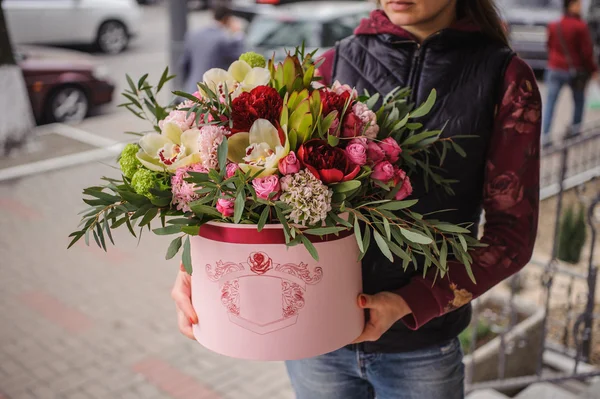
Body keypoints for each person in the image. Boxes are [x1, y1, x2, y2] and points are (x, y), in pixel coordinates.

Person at [171, 0, 541, 398]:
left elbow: (511, 236)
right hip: (313, 339)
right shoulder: (331, 66)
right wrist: (204, 269)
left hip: (420, 350)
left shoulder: (504, 78)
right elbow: (260, 191)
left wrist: (408, 302)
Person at [542, 0, 597, 145]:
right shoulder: (581, 27)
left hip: (554, 68)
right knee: (579, 102)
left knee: (550, 104)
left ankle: (545, 137)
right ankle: (575, 134)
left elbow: (548, 45)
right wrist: (593, 70)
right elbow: (587, 53)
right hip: (575, 71)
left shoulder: (554, 25)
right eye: (578, 4)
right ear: (570, 6)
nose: (580, 7)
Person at [178, 4, 245, 94]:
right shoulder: (224, 40)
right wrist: (238, 34)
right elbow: (241, 59)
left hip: (192, 90)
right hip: (211, 95)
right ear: (227, 19)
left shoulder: (193, 35)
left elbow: (184, 65)